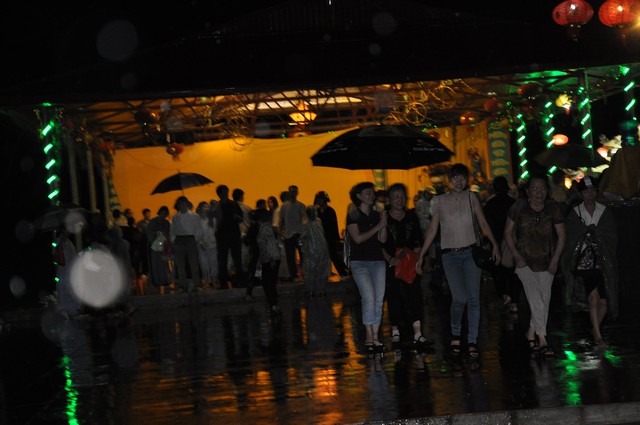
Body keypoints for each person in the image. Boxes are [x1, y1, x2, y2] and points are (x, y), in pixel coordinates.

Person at [415, 164, 500, 364]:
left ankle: (472, 341)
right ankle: (455, 333)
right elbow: (433, 229)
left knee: (474, 298)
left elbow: (483, 223)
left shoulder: (471, 197)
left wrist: (495, 244)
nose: (459, 181)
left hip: (471, 253)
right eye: (455, 177)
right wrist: (422, 254)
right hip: (450, 256)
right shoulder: (439, 201)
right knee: (459, 298)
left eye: (462, 177)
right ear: (449, 179)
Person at [504, 172, 566, 358]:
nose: (539, 191)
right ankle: (543, 339)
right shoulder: (519, 207)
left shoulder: (552, 207)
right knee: (536, 299)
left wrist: (555, 260)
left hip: (547, 261)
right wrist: (516, 255)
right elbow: (507, 233)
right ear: (528, 191)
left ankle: (531, 332)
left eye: (542, 188)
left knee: (544, 300)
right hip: (525, 262)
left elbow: (562, 236)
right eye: (535, 188)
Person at [561, 176, 619, 346]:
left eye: (592, 191)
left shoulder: (604, 211)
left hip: (602, 260)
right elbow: (570, 237)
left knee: (604, 302)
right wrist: (583, 240)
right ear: (581, 194)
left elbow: (611, 236)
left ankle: (595, 328)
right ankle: (598, 337)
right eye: (586, 191)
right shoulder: (575, 212)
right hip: (584, 261)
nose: (590, 194)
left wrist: (597, 239)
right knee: (593, 297)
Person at [382, 183, 434, 352]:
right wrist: (389, 259)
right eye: (396, 197)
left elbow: (418, 241)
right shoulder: (384, 218)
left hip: (410, 263)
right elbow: (380, 244)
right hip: (393, 264)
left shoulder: (411, 217)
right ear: (389, 200)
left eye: (402, 196)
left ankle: (418, 332)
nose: (400, 200)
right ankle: (395, 331)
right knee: (394, 297)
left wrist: (419, 260)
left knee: (414, 296)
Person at [347, 181, 388, 355]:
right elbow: (357, 239)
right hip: (359, 262)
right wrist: (378, 226)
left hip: (377, 260)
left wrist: (383, 224)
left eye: (372, 192)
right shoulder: (353, 215)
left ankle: (376, 336)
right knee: (369, 297)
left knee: (378, 299)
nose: (371, 195)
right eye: (367, 192)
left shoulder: (377, 215)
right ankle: (369, 336)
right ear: (359, 196)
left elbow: (383, 240)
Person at [483, 176, 519, 313]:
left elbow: (486, 225)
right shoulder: (513, 202)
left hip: (496, 241)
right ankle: (513, 299)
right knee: (513, 271)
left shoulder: (490, 204)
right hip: (512, 241)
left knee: (499, 270)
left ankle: (504, 295)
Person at [170, 196, 203, 293]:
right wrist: (173, 241)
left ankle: (196, 284)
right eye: (180, 204)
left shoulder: (194, 216)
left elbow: (198, 229)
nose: (182, 205)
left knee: (194, 263)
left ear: (187, 204)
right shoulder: (175, 217)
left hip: (190, 239)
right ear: (178, 205)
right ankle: (182, 285)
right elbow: (172, 230)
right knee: (180, 265)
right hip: (179, 240)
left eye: (183, 203)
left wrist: (195, 239)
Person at [215, 184, 245, 289]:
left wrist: (237, 217)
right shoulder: (216, 206)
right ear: (219, 194)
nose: (225, 194)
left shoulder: (233, 204)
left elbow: (241, 217)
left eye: (226, 192)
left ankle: (240, 281)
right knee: (222, 260)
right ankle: (223, 283)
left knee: (237, 259)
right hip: (222, 236)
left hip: (234, 235)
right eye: (223, 193)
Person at [254, 206, 282, 317]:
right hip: (271, 259)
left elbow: (270, 245)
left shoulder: (264, 228)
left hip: (270, 259)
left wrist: (271, 260)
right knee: (270, 283)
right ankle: (274, 305)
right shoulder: (269, 227)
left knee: (268, 284)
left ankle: (273, 305)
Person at [315, 191, 349, 280]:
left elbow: (334, 225)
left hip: (330, 238)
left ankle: (343, 273)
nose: (319, 201)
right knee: (324, 256)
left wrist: (336, 238)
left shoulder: (330, 211)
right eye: (318, 199)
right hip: (321, 237)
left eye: (321, 199)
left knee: (334, 256)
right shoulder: (317, 211)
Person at [300, 205, 332, 297]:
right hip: (322, 247)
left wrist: (301, 244)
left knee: (311, 269)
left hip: (311, 249)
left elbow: (303, 236)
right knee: (321, 269)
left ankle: (312, 290)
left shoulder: (306, 223)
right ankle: (321, 290)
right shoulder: (318, 221)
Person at [279, 185, 307, 282]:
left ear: (297, 193)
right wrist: (281, 233)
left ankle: (304, 273)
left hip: (299, 235)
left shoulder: (301, 206)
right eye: (291, 191)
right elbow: (281, 220)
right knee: (290, 257)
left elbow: (304, 220)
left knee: (303, 254)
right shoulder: (284, 206)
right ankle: (294, 275)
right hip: (288, 235)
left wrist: (302, 232)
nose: (293, 193)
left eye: (295, 191)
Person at [146, 206, 173, 288]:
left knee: (164, 263)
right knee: (158, 263)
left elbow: (169, 234)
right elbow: (149, 233)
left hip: (163, 245)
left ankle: (164, 280)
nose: (164, 215)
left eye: (165, 213)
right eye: (163, 213)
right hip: (156, 246)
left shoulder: (166, 223)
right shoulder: (154, 222)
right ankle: (158, 280)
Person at [196, 201, 218, 290]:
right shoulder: (196, 220)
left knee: (213, 263)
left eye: (208, 207)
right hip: (201, 245)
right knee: (204, 264)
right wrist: (201, 242)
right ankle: (206, 282)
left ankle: (214, 281)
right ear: (199, 208)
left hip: (212, 244)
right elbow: (196, 233)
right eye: (204, 207)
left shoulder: (212, 219)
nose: (206, 208)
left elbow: (215, 231)